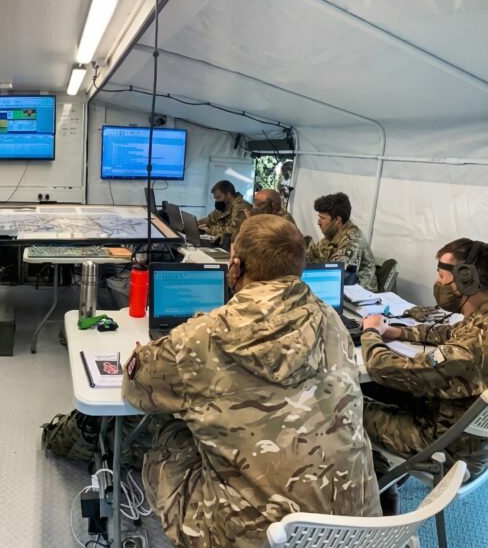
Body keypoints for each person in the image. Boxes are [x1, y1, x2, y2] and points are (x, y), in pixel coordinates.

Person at [123, 215, 380, 547]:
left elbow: (135, 389)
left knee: (169, 433)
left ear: (235, 266)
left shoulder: (200, 337)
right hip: (353, 533)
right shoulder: (332, 320)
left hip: (251, 538)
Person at [361, 238, 488, 511]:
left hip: (444, 447)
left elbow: (382, 368)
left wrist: (371, 332)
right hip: (469, 439)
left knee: (349, 406)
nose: (437, 283)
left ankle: (380, 493)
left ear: (466, 280)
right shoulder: (481, 323)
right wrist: (399, 331)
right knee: (380, 392)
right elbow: (453, 333)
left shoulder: (467, 351)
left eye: (442, 275)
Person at [305, 192, 378, 291]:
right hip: (340, 292)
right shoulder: (331, 236)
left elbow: (334, 276)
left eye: (322, 218)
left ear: (337, 220)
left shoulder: (353, 240)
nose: (318, 222)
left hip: (358, 299)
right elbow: (309, 255)